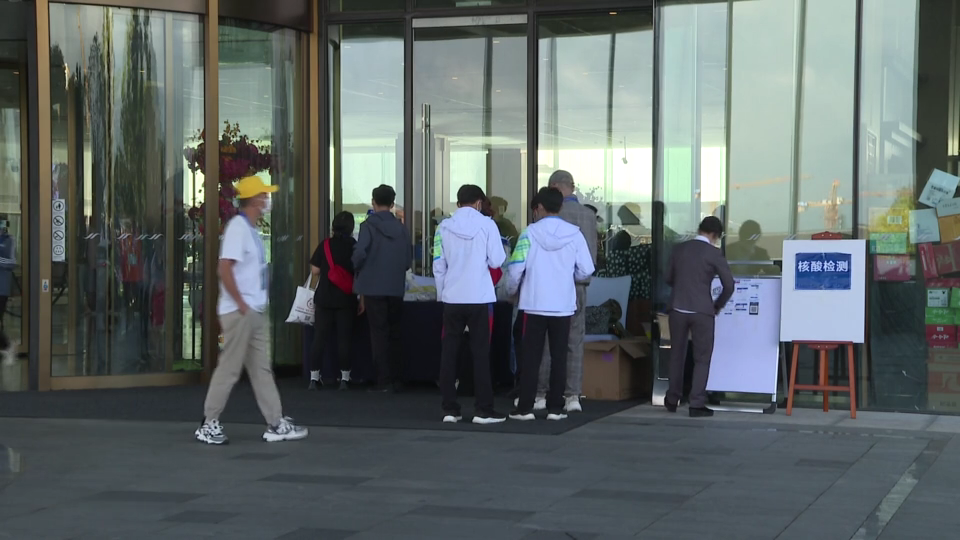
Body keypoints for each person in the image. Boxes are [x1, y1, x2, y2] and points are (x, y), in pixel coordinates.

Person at [195, 176, 308, 444]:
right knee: (230, 368)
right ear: (255, 199)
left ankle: (275, 422)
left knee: (261, 369)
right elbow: (224, 267)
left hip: (252, 310)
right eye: (264, 196)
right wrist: (241, 302)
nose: (267, 200)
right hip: (241, 312)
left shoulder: (249, 229)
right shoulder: (238, 228)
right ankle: (209, 423)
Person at [507, 187, 595, 421]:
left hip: (533, 304)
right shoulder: (574, 234)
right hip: (563, 305)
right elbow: (587, 269)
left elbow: (515, 269)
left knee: (531, 357)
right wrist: (569, 278)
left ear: (538, 208)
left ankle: (525, 407)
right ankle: (556, 408)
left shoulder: (528, 234)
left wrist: (511, 291)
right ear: (560, 206)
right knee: (559, 356)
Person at [433, 185, 507, 424]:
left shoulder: (443, 227)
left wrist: (442, 294)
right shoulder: (487, 225)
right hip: (479, 297)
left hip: (452, 298)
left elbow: (438, 265)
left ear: (458, 204)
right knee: (480, 354)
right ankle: (483, 409)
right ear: (479, 203)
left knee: (449, 353)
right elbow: (497, 260)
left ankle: (449, 409)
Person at [530, 170, 598, 413]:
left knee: (547, 343)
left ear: (555, 187)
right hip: (578, 286)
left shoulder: (547, 215)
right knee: (574, 341)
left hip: (548, 287)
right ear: (572, 186)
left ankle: (540, 393)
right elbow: (590, 259)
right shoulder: (588, 215)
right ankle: (572, 395)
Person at [664, 216, 734, 418]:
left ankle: (672, 399)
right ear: (715, 235)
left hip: (677, 308)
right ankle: (696, 403)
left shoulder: (679, 249)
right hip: (703, 311)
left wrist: (682, 287)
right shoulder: (714, 253)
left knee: (677, 354)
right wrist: (717, 305)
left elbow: (668, 277)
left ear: (699, 229)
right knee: (702, 358)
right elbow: (729, 285)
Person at [353, 184, 410, 393]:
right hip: (395, 287)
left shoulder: (367, 226)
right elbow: (407, 261)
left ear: (373, 202)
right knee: (396, 333)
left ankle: (383, 381)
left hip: (373, 287)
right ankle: (397, 379)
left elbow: (359, 254)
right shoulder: (402, 229)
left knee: (379, 334)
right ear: (393, 204)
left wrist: (357, 267)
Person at [308, 211, 361, 391]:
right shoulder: (354, 246)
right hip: (346, 299)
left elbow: (315, 270)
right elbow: (359, 270)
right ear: (351, 228)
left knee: (319, 338)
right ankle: (345, 378)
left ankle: (314, 378)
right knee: (344, 339)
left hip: (324, 298)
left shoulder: (325, 244)